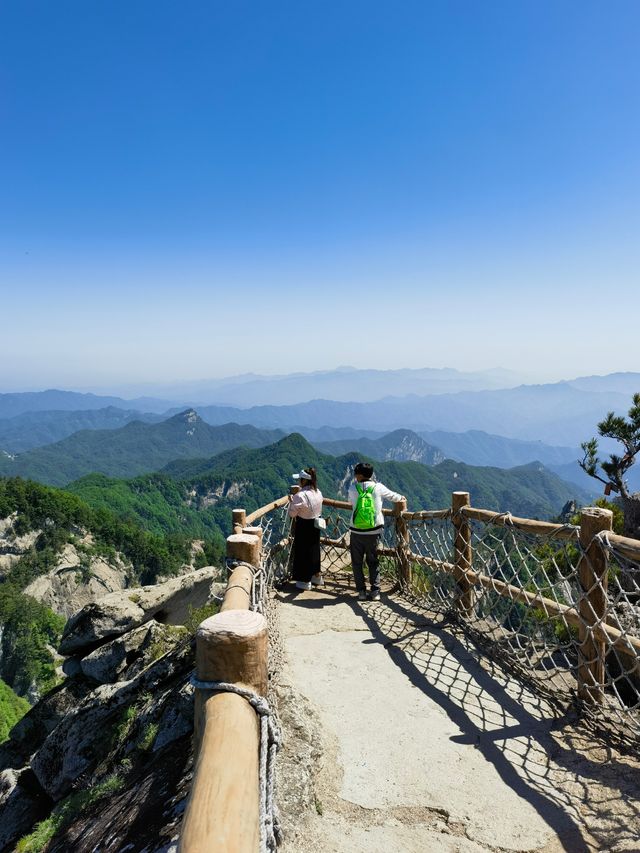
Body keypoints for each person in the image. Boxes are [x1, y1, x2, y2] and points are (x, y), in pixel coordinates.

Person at [348, 462, 405, 601]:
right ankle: (375, 592)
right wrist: (402, 499)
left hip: (356, 530)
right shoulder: (378, 487)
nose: (355, 475)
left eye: (356, 473)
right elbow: (394, 496)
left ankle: (361, 592)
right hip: (374, 530)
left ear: (359, 475)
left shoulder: (352, 488)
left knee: (357, 562)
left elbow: (351, 503)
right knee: (373, 561)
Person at [288, 467, 324, 591]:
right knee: (314, 549)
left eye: (300, 480)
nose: (299, 482)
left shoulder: (300, 495)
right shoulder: (318, 492)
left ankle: (304, 581)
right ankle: (316, 576)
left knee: (303, 552)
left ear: (303, 481)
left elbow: (292, 514)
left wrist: (291, 503)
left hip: (304, 525)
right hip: (315, 524)